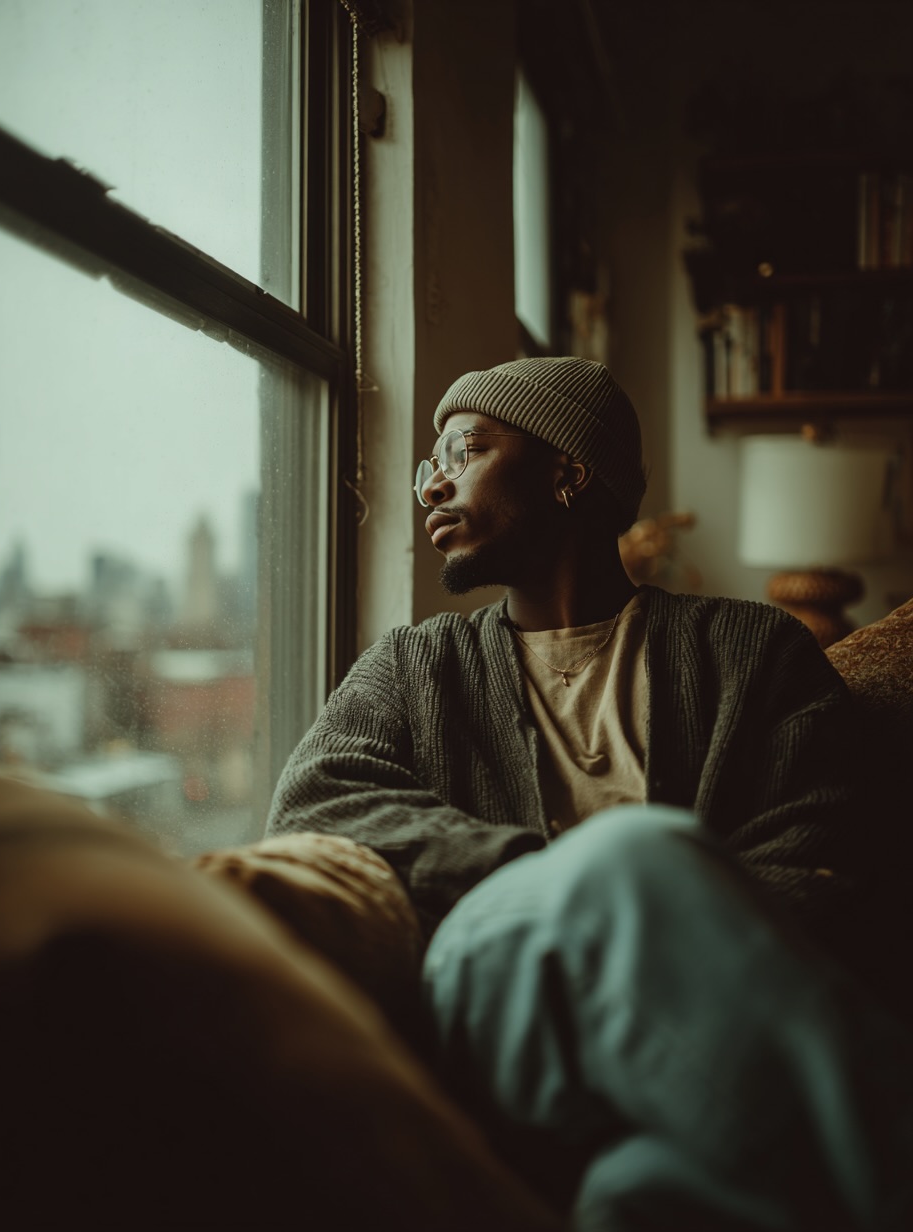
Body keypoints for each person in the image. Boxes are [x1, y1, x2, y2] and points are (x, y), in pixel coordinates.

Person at [268, 357, 913, 1230]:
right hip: (494, 990)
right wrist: (561, 876)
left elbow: (822, 848)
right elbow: (318, 801)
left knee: (639, 1191)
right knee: (635, 851)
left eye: (465, 452)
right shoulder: (416, 665)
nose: (433, 487)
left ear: (569, 473)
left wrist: (661, 935)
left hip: (683, 1027)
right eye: (430, 466)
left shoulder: (754, 651)